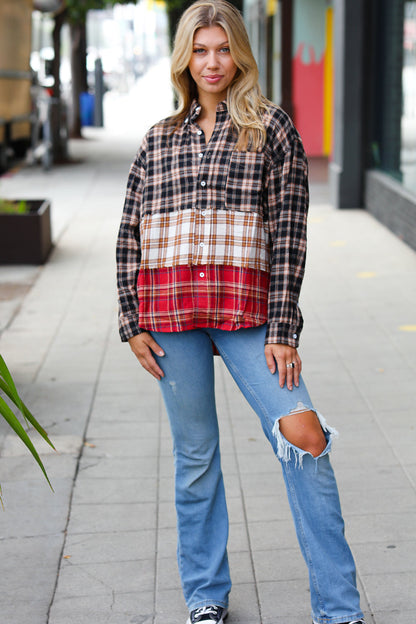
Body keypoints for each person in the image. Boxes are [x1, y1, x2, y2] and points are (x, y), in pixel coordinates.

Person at [116, 2, 365, 623]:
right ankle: (205, 595)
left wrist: (283, 327)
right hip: (171, 319)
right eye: (199, 50)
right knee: (195, 456)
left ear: (241, 55)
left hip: (251, 315)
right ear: (184, 58)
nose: (211, 62)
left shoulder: (271, 128)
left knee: (304, 435)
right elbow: (130, 233)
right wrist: (131, 321)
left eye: (222, 49)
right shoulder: (158, 139)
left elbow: (289, 235)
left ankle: (339, 610)